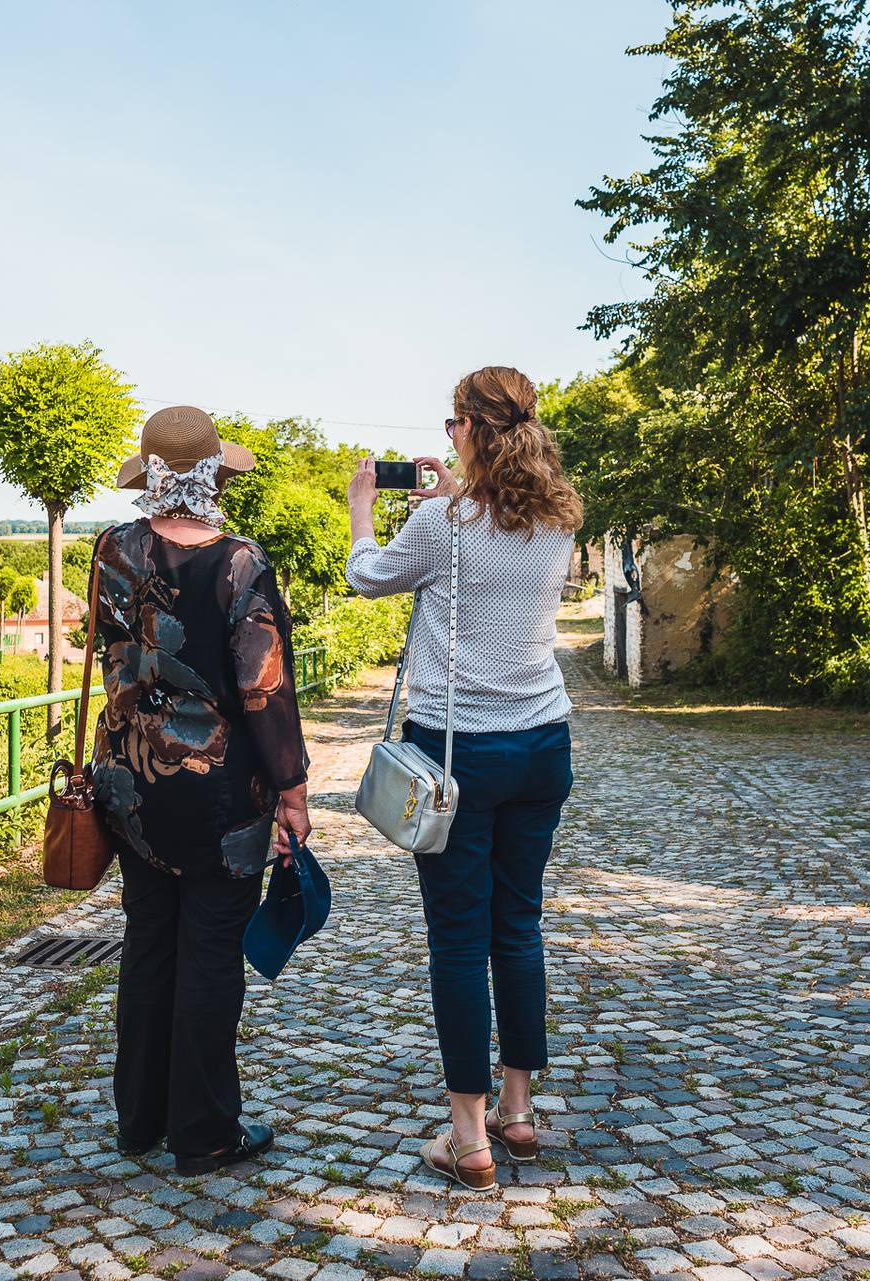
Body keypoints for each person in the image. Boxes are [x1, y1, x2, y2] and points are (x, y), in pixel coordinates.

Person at [344, 366, 582, 1189]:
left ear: (473, 430)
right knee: (517, 927)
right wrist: (455, 493)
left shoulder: (442, 524)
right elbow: (495, 557)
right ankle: (518, 1111)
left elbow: (366, 575)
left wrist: (363, 510)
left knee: (457, 937)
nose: (449, 437)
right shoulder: (560, 519)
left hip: (458, 753)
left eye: (453, 425)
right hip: (542, 744)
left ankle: (468, 1135)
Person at [91, 405, 311, 1176]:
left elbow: (110, 653)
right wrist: (293, 788)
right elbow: (263, 685)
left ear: (151, 480)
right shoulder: (242, 564)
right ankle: (206, 1129)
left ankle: (139, 1119)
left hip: (132, 792)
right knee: (212, 953)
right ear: (214, 477)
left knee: (148, 944)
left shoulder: (110, 548)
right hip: (220, 801)